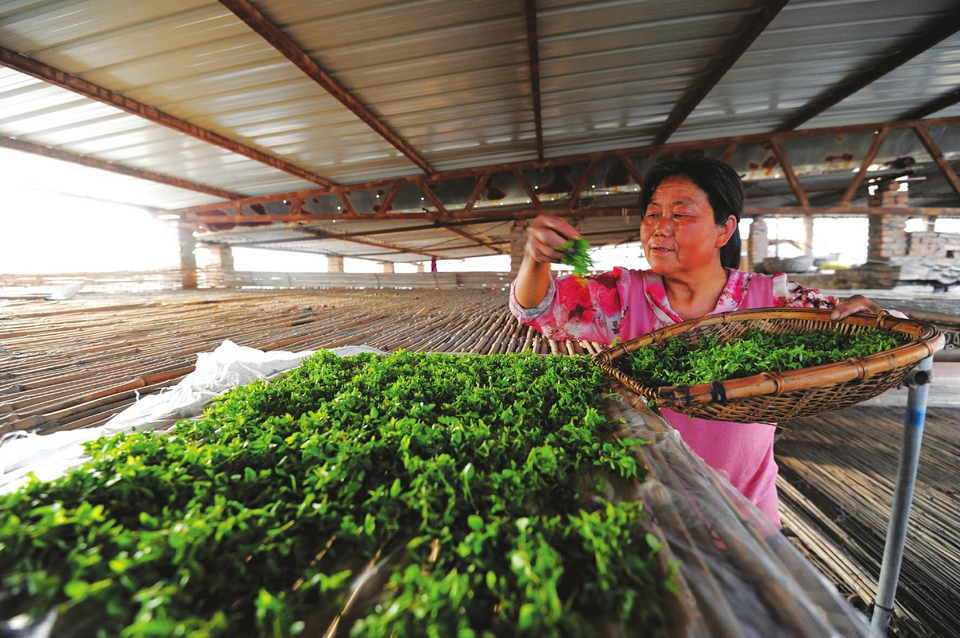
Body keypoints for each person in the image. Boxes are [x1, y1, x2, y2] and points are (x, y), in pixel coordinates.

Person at [509, 156, 888, 528]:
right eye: (652, 214)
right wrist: (535, 259)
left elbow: (882, 331)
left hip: (746, 514)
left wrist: (871, 316)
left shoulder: (773, 300)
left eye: (680, 214)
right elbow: (537, 307)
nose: (659, 228)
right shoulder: (624, 295)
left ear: (723, 230)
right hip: (651, 510)